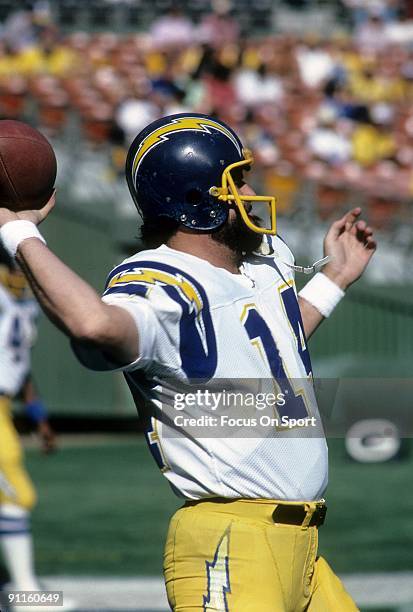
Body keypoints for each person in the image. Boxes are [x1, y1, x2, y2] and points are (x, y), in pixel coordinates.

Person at [0, 113, 376, 610]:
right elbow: (93, 324)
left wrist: (334, 281)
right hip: (231, 544)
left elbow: (274, 344)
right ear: (195, 199)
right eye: (236, 181)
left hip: (303, 549)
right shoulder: (161, 281)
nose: (249, 191)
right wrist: (18, 232)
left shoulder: (264, 257)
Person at [0, 247, 55, 597]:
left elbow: (18, 366)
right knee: (16, 495)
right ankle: (26, 595)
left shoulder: (25, 303)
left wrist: (38, 416)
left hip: (5, 406)